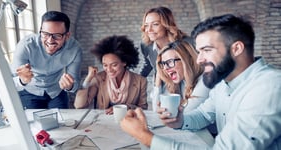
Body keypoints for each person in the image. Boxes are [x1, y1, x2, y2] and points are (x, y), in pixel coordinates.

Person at [120, 14, 281, 149]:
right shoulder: (224, 83)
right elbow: (204, 114)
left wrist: (144, 136)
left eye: (207, 50)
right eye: (199, 51)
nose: (199, 60)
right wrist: (179, 121)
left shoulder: (269, 86)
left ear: (236, 49)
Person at [11, 11, 83, 109]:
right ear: (40, 31)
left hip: (57, 92)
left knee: (63, 122)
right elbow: (11, 83)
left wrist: (70, 86)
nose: (50, 40)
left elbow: (75, 84)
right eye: (45, 34)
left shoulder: (75, 49)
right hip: (29, 91)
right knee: (32, 124)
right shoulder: (26, 46)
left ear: (67, 36)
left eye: (57, 35)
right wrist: (22, 80)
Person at [74, 35, 148, 114]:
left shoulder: (140, 81)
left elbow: (143, 108)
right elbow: (79, 106)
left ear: (124, 62)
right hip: (104, 122)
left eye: (114, 65)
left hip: (128, 121)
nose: (109, 70)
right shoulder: (99, 78)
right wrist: (88, 78)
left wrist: (127, 107)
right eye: (105, 65)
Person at [150, 40, 209, 112]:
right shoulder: (177, 83)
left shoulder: (205, 80)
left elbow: (185, 113)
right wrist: (158, 81)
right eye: (163, 63)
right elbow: (157, 110)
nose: (165, 68)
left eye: (170, 61)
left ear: (188, 59)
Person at [139, 6, 191, 77]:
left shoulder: (187, 43)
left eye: (155, 24)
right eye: (146, 25)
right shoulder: (146, 45)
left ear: (167, 25)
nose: (149, 30)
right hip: (162, 84)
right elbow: (148, 65)